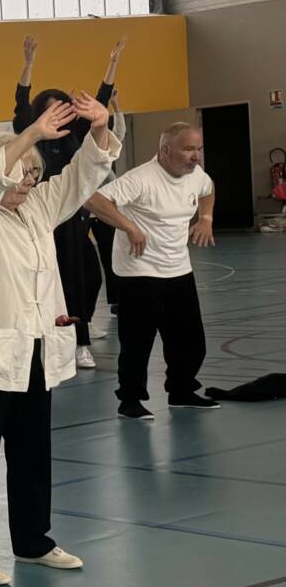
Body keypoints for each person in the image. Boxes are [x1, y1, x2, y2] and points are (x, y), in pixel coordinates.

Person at [0, 93, 120, 587]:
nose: (27, 182)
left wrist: (99, 128)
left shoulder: (37, 207)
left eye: (33, 174)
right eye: (19, 172)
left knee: (32, 451)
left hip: (35, 348)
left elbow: (83, 175)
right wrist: (31, 133)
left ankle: (33, 541)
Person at [86, 122, 220, 419]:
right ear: (166, 150)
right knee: (137, 343)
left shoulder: (195, 175)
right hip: (139, 273)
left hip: (178, 269)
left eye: (199, 149)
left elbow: (208, 188)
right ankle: (130, 400)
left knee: (190, 341)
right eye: (189, 149)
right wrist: (129, 227)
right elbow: (94, 200)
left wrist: (206, 218)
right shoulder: (141, 179)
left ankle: (181, 391)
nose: (196, 156)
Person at [16, 34, 126, 367]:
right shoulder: (31, 134)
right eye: (49, 111)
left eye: (61, 110)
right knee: (58, 279)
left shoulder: (75, 135)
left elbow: (101, 102)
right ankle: (74, 342)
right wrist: (29, 64)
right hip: (43, 216)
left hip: (73, 215)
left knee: (90, 276)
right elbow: (21, 103)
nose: (56, 116)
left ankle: (81, 329)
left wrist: (113, 62)